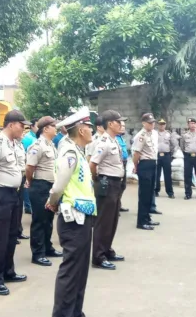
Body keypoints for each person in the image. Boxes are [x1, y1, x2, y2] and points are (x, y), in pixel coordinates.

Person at [47, 109, 96, 317]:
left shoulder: (78, 151)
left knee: (80, 270)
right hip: (73, 220)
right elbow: (58, 187)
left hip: (83, 217)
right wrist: (52, 203)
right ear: (82, 130)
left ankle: (75, 312)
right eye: (90, 127)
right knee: (71, 272)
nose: (92, 131)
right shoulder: (70, 154)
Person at [0, 110, 30, 296]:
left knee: (11, 236)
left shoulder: (16, 144)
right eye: (21, 125)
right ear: (11, 124)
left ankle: (8, 271)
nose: (23, 129)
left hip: (14, 194)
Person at [89, 110, 127, 270]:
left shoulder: (114, 140)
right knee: (103, 222)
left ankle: (107, 250)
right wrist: (97, 179)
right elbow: (92, 164)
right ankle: (98, 256)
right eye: (119, 122)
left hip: (116, 184)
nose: (121, 124)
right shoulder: (103, 142)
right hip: (107, 184)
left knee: (112, 221)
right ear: (110, 124)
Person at [25, 116, 63, 267]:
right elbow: (29, 167)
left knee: (48, 219)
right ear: (46, 128)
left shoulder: (51, 145)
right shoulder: (37, 146)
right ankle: (38, 253)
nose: (56, 128)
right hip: (40, 185)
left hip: (50, 186)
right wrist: (31, 181)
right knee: (39, 221)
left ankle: (48, 248)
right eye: (53, 126)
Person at [131, 113, 159, 231]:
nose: (152, 124)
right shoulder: (140, 136)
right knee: (144, 194)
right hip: (144, 165)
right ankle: (141, 221)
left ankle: (147, 217)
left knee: (150, 193)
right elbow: (136, 153)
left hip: (152, 163)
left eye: (153, 122)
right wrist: (135, 166)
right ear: (143, 123)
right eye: (149, 122)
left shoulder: (153, 134)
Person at [180, 118, 196, 200]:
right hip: (188, 156)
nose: (193, 125)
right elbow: (182, 146)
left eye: (194, 123)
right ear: (188, 125)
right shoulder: (184, 135)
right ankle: (188, 193)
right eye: (191, 123)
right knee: (187, 175)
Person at [21, 118, 39, 218]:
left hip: (33, 168)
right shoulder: (28, 138)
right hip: (28, 167)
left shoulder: (35, 137)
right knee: (27, 186)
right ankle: (28, 206)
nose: (38, 128)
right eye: (37, 126)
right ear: (32, 127)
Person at [156, 119, 177, 199]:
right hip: (157, 155)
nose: (162, 125)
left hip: (166, 156)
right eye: (160, 124)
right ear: (158, 125)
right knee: (157, 174)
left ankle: (170, 192)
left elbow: (173, 144)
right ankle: (156, 190)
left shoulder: (169, 134)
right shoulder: (154, 134)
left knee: (167, 175)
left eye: (163, 124)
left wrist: (170, 153)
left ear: (165, 125)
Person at [116, 120, 129, 212]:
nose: (123, 128)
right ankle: (115, 207)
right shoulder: (114, 138)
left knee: (123, 185)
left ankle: (118, 204)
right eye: (122, 126)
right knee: (118, 186)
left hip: (124, 163)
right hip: (118, 164)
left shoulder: (121, 138)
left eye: (124, 126)